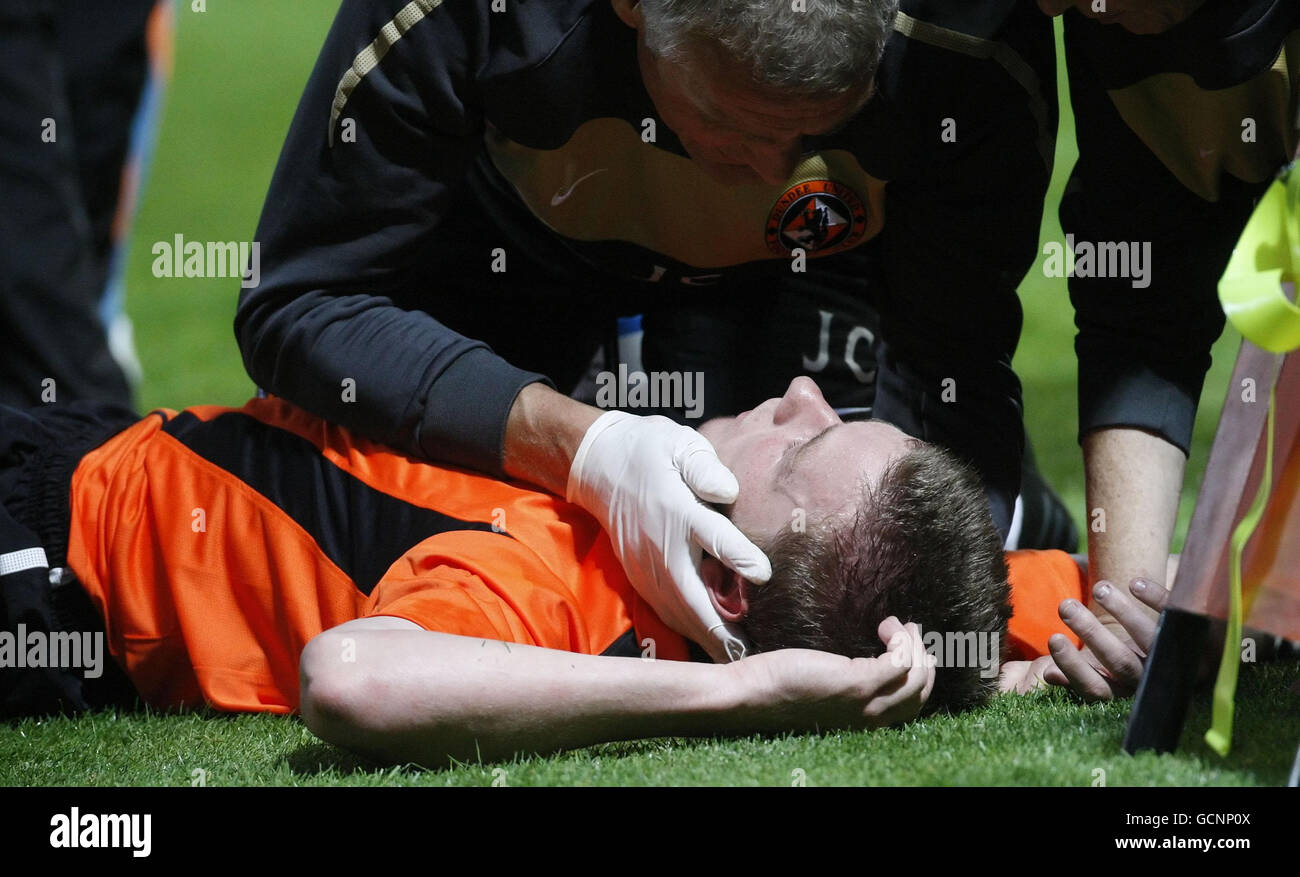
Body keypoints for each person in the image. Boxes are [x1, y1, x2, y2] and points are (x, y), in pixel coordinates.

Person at [235, 0, 1060, 663]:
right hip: (507, 248)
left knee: (842, 547)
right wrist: (579, 445)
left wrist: (971, 649)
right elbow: (301, 303)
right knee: (526, 549)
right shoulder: (467, 14)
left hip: (817, 263)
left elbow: (956, 363)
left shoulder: (971, 37)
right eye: (733, 125)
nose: (774, 172)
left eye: (814, 133)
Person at [1, 377, 1093, 766]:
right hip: (109, 443)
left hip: (53, 556)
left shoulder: (560, 595)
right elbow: (1059, 589)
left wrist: (744, 693)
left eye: (798, 444)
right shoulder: (907, 582)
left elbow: (351, 679)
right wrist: (1006, 665)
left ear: (727, 587)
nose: (803, 390)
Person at [1031, 0, 1300, 671]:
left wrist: (1272, 599)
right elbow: (1141, 319)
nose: (1046, 7)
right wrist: (1127, 613)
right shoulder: (1115, 20)